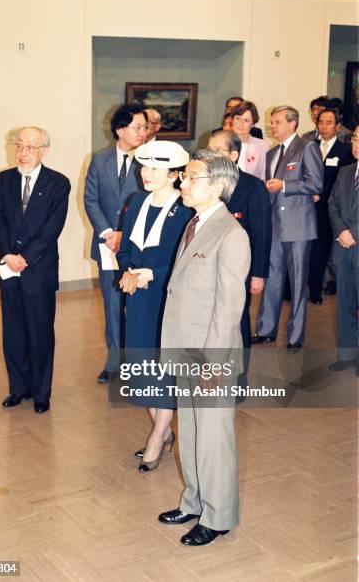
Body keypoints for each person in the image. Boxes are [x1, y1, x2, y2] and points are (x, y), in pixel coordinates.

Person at [158, 150, 250, 547]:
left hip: (211, 353)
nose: (182, 182)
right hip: (185, 345)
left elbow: (229, 308)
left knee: (214, 437)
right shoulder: (195, 224)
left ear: (215, 186)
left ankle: (219, 515)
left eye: (190, 177)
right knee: (191, 430)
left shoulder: (232, 234)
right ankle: (195, 500)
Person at [116, 141, 193, 472]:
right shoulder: (136, 202)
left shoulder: (187, 209)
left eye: (154, 169)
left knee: (163, 369)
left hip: (168, 298)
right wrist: (128, 271)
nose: (145, 174)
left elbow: (189, 262)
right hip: (138, 298)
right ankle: (162, 432)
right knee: (141, 364)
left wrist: (151, 274)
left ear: (174, 174)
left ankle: (157, 437)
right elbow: (125, 249)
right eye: (143, 167)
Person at [0, 127, 71, 413]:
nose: (23, 153)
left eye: (30, 147)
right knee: (13, 333)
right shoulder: (4, 180)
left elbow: (53, 228)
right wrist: (6, 255)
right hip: (9, 269)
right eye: (19, 146)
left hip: (39, 271)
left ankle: (40, 393)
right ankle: (18, 389)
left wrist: (24, 257)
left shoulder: (58, 183)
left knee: (40, 333)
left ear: (43, 151)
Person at [84, 105, 147, 383]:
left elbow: (149, 202)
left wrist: (124, 233)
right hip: (107, 244)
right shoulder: (99, 160)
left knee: (137, 304)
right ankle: (114, 361)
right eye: (137, 127)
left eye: (145, 127)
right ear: (120, 130)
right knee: (111, 305)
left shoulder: (149, 160)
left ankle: (138, 361)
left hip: (137, 245)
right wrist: (109, 232)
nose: (142, 132)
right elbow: (91, 199)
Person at [252, 106, 323, 352]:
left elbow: (316, 184)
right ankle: (265, 330)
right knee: (272, 280)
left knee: (297, 283)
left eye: (278, 122)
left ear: (293, 124)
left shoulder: (307, 147)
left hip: (299, 226)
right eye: (272, 122)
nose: (273, 126)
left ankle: (295, 336)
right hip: (274, 226)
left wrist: (284, 185)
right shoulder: (272, 153)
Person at [208, 130, 271, 371]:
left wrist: (258, 273)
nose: (210, 156)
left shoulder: (253, 187)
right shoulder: (205, 184)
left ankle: (239, 376)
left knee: (236, 319)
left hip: (239, 268)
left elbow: (262, 233)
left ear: (233, 155)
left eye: (216, 151)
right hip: (208, 264)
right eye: (208, 150)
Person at [308, 108, 355, 304]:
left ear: (337, 126)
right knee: (306, 249)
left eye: (329, 123)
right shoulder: (310, 146)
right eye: (321, 122)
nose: (324, 126)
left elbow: (340, 183)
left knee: (322, 251)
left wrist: (321, 195)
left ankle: (317, 291)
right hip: (309, 206)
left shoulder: (345, 151)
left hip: (330, 209)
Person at [328, 126, 359, 375]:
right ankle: (347, 355)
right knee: (345, 304)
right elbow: (333, 204)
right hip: (344, 248)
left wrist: (353, 233)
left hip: (355, 242)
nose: (356, 144)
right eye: (356, 139)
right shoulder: (346, 172)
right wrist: (341, 232)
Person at [231, 101, 268, 181]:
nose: (241, 124)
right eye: (238, 118)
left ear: (253, 123)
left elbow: (263, 176)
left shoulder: (261, 146)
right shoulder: (222, 142)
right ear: (232, 120)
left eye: (246, 120)